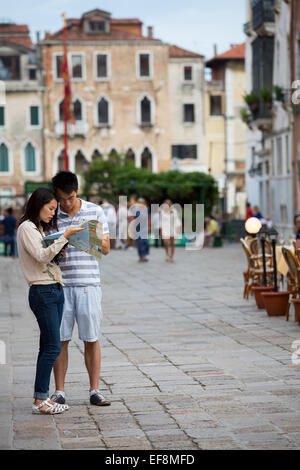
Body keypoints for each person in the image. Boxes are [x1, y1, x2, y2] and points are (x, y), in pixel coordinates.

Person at [17, 187, 84, 414]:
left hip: (55, 289)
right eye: (51, 208)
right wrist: (64, 236)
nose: (53, 214)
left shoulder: (40, 229)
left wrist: (60, 247)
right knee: (54, 346)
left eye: (55, 210)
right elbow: (40, 256)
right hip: (42, 292)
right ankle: (39, 401)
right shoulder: (27, 228)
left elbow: (48, 258)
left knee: (47, 345)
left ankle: (41, 397)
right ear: (39, 204)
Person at [50, 171, 111, 407]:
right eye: (61, 199)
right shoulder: (52, 213)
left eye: (71, 198)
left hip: (89, 283)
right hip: (60, 284)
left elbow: (105, 249)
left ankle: (95, 390)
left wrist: (86, 236)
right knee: (60, 339)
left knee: (91, 337)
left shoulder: (94, 211)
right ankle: (59, 391)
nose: (66, 203)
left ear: (78, 191)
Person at [130, 198, 150, 262]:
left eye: (142, 202)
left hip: (145, 228)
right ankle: (141, 256)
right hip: (138, 228)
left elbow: (148, 218)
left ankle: (144, 255)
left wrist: (149, 226)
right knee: (140, 242)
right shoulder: (135, 210)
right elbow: (132, 218)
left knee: (146, 242)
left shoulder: (146, 209)